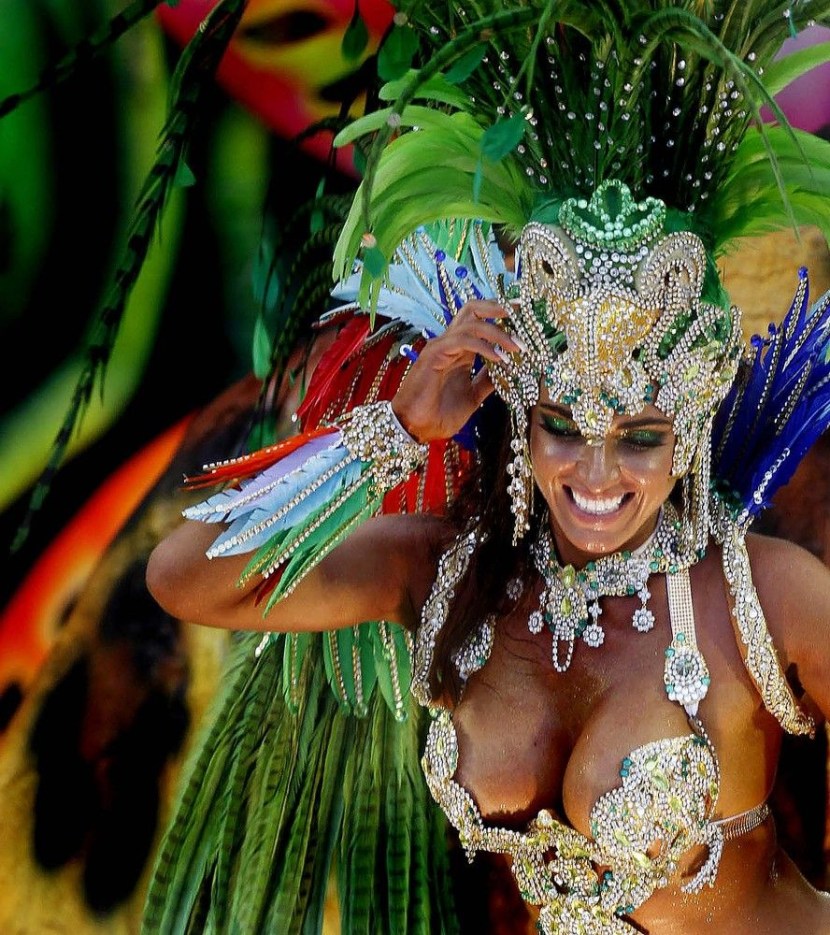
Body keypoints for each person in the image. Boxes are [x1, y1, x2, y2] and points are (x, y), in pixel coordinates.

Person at [144, 2, 830, 932]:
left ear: (690, 431)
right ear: (518, 411)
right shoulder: (447, 576)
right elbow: (187, 576)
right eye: (559, 425)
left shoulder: (762, 597)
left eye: (639, 436)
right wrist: (394, 429)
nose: (595, 473)